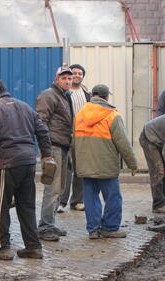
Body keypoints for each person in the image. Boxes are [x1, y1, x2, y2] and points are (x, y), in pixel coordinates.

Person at [0, 79, 51, 260]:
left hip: (8, 163)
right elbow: (43, 131)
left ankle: (3, 248)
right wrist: (46, 155)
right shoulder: (24, 107)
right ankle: (33, 247)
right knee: (26, 205)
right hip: (29, 163)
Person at [73, 84, 137, 239]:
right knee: (113, 198)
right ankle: (109, 228)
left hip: (86, 166)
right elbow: (123, 143)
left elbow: (74, 142)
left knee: (90, 198)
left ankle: (93, 230)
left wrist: (77, 164)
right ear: (107, 97)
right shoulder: (112, 115)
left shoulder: (79, 115)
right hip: (106, 165)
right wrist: (132, 163)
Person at [35, 66, 73, 241]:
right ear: (56, 79)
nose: (67, 81)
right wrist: (46, 151)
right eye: (64, 78)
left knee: (60, 189)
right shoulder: (48, 95)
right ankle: (44, 227)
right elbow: (40, 122)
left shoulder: (64, 97)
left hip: (63, 146)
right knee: (52, 189)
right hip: (54, 147)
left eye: (69, 78)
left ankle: (49, 222)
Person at [58, 64, 91, 213]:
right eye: (74, 73)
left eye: (80, 74)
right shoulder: (63, 93)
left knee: (80, 170)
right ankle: (61, 202)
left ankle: (77, 201)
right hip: (66, 135)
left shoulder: (86, 93)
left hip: (82, 136)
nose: (77, 76)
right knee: (66, 170)